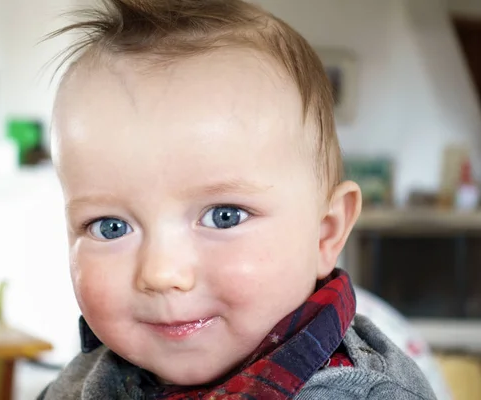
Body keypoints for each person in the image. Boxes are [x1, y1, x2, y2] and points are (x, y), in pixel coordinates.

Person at [40, 0, 436, 398]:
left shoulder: (360, 392)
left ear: (324, 233)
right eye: (111, 227)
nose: (161, 274)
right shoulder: (81, 380)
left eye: (224, 216)